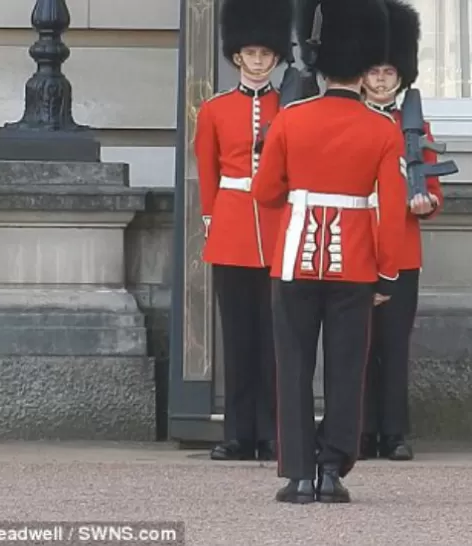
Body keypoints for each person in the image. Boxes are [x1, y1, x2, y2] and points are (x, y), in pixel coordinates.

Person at [250, 0, 407, 504]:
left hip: (294, 258)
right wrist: (387, 273)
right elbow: (392, 209)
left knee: (293, 366)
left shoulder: (290, 119)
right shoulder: (382, 129)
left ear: (320, 68)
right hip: (355, 263)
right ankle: (332, 470)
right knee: (346, 369)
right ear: (364, 70)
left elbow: (263, 192)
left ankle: (299, 475)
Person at [195, 0, 292, 463]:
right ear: (237, 56)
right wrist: (211, 220)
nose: (257, 61)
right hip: (232, 227)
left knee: (275, 338)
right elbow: (207, 170)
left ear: (275, 57)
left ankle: (272, 432)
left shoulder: (289, 106)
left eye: (264, 54)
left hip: (277, 226)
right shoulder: (214, 109)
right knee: (237, 338)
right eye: (250, 53)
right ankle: (238, 433)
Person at [359, 0, 443, 462]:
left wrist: (426, 203)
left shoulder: (414, 125)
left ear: (400, 75)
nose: (380, 79)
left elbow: (430, 184)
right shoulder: (350, 120)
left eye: (388, 72)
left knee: (393, 345)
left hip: (402, 249)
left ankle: (393, 432)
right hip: (355, 245)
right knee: (356, 345)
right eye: (373, 71)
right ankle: (360, 429)